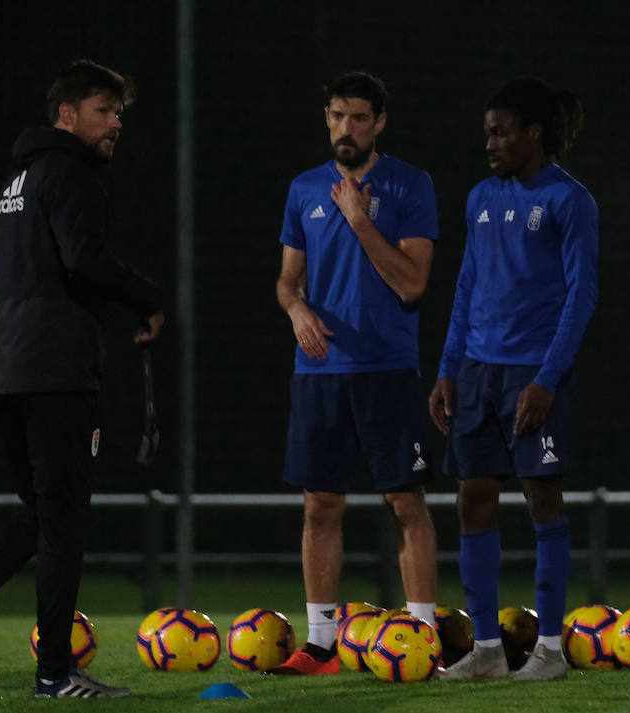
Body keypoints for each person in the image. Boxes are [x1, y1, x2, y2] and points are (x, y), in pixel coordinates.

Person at [0, 59, 164, 698]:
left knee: (42, 512)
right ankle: (55, 673)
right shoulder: (70, 173)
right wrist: (147, 299)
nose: (115, 123)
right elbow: (85, 259)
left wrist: (7, 346)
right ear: (67, 115)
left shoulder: (15, 183)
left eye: (119, 112)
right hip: (55, 371)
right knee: (63, 518)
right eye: (103, 110)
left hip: (5, 367)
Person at [429, 77, 598, 681]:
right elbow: (466, 286)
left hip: (532, 372)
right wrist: (448, 369)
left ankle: (549, 650)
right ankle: (488, 651)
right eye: (487, 134)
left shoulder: (568, 201)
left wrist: (547, 379)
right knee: (472, 496)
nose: (490, 144)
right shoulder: (480, 198)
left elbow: (582, 296)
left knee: (541, 495)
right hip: (477, 371)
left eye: (501, 133)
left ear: (534, 133)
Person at [273, 71, 439, 675]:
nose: (348, 127)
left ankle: (423, 638)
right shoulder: (303, 188)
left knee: (406, 502)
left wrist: (360, 219)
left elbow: (413, 283)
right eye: (339, 115)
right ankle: (321, 644)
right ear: (327, 118)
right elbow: (287, 281)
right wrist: (297, 311)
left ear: (379, 123)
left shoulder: (411, 185)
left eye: (360, 117)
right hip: (319, 372)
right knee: (320, 506)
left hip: (387, 368)